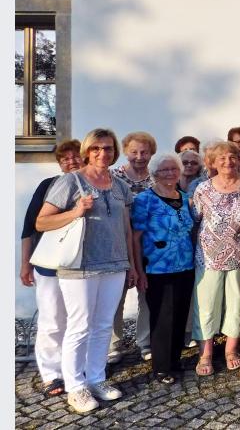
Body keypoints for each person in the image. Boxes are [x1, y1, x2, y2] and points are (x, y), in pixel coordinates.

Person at [36, 128, 138, 413]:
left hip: (115, 265)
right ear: (87, 152)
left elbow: (127, 229)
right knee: (79, 326)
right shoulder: (71, 181)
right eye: (96, 148)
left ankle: (96, 378)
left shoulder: (120, 186)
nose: (102, 153)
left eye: (107, 148)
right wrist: (75, 212)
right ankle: (75, 386)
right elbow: (42, 222)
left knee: (103, 325)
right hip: (80, 266)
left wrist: (129, 263)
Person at [19, 139, 82, 399]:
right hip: (49, 264)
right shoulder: (48, 186)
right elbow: (29, 227)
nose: (70, 162)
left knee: (79, 321)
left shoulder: (95, 185)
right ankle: (51, 373)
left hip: (83, 266)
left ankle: (75, 369)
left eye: (75, 156)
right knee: (52, 319)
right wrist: (25, 262)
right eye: (64, 159)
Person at [192, 141, 240, 376]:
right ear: (212, 162)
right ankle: (206, 353)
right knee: (206, 304)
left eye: (232, 157)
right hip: (208, 255)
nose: (228, 161)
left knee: (236, 303)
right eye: (222, 158)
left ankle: (231, 349)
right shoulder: (203, 189)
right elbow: (195, 220)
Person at [131, 153, 195, 384]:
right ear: (154, 173)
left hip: (185, 266)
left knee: (179, 313)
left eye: (173, 169)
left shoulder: (186, 198)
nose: (169, 173)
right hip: (156, 268)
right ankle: (161, 367)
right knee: (161, 317)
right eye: (164, 170)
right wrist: (137, 270)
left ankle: (175, 360)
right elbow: (135, 238)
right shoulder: (144, 200)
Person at [109, 131, 156, 364]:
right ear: (125, 152)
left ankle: (145, 342)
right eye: (134, 151)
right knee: (115, 296)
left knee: (146, 295)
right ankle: (113, 345)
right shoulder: (114, 177)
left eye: (144, 152)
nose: (139, 156)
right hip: (118, 243)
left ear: (151, 153)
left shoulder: (156, 177)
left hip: (149, 246)